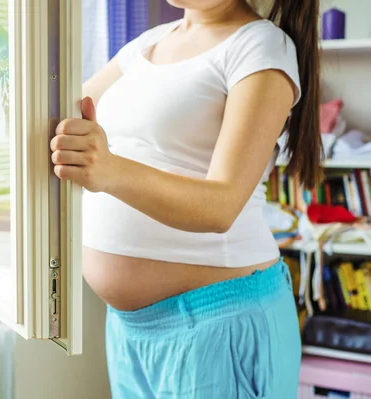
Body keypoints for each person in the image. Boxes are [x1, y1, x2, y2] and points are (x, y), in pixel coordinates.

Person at [51, 0, 321, 397]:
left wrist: (108, 169)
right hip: (131, 332)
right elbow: (56, 116)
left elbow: (220, 205)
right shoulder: (148, 44)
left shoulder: (261, 47)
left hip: (218, 326)